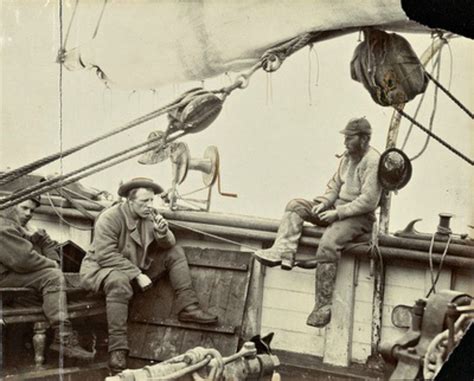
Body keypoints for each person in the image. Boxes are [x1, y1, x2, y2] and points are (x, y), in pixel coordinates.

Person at [80, 177, 218, 373]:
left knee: (175, 252)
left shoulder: (149, 216)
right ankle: (117, 350)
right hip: (101, 270)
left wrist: (163, 232)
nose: (150, 205)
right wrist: (136, 274)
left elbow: (168, 245)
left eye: (152, 200)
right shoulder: (110, 217)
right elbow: (105, 255)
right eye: (144, 201)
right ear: (129, 200)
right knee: (119, 282)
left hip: (131, 268)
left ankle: (188, 306)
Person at [254, 117, 382, 328]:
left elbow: (369, 201)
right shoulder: (348, 157)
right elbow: (334, 186)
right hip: (339, 208)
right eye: (345, 138)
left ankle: (323, 307)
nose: (345, 142)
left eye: (349, 138)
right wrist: (324, 204)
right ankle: (283, 252)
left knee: (328, 243)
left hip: (359, 217)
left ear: (364, 139)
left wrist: (338, 214)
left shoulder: (372, 161)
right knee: (295, 206)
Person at [0, 194, 95, 360]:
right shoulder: (3, 227)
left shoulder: (22, 228)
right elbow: (23, 259)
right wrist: (51, 264)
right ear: (10, 206)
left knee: (56, 277)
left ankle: (62, 336)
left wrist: (43, 243)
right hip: (4, 279)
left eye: (32, 210)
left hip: (12, 276)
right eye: (24, 208)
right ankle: (63, 337)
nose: (29, 213)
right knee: (52, 276)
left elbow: (51, 250)